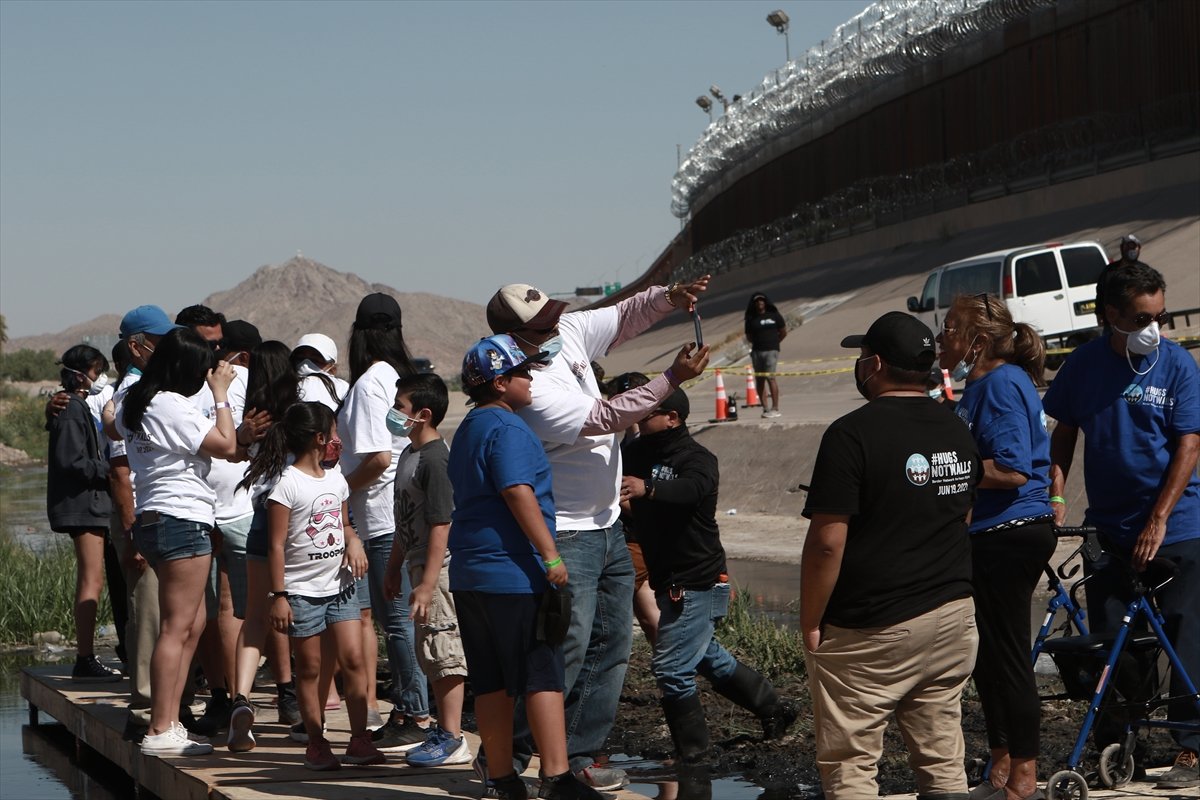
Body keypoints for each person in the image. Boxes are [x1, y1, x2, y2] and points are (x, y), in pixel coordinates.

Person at [484, 278, 710, 791]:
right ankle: (516, 752)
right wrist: (672, 377)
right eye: (541, 325)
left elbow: (623, 315)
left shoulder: (563, 330)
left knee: (612, 646)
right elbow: (606, 415)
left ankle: (579, 753)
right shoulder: (529, 390)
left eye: (552, 316)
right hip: (566, 531)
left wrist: (667, 297)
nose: (555, 327)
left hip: (606, 524)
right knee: (565, 648)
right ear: (514, 338)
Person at [800, 311, 982, 799]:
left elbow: (826, 542)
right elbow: (961, 514)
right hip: (952, 615)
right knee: (943, 757)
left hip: (872, 625)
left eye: (861, 357)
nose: (859, 365)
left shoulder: (850, 435)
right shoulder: (955, 428)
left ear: (874, 364)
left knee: (851, 762)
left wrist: (812, 619)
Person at [1043, 263, 1199, 790]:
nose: (1155, 327)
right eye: (1141, 317)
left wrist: (1158, 519)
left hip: (1177, 526)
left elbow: (1189, 444)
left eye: (1160, 315)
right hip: (1108, 529)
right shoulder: (1083, 366)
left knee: (1187, 635)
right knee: (1113, 642)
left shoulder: (1176, 365)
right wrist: (1057, 492)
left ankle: (1191, 747)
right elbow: (1063, 431)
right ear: (1110, 315)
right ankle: (1121, 742)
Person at [448, 334, 602, 800]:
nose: (530, 377)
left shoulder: (469, 427)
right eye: (521, 371)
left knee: (492, 682)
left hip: (472, 574)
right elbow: (518, 491)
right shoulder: (510, 429)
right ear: (499, 383)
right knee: (542, 674)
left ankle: (502, 778)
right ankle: (556, 778)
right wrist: (551, 555)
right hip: (514, 572)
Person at [619, 388, 797, 765]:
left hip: (698, 576)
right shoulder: (634, 453)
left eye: (650, 411)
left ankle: (694, 754)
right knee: (706, 656)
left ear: (672, 418)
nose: (641, 416)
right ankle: (774, 708)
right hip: (667, 575)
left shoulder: (697, 458)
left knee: (670, 667)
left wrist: (647, 489)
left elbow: (691, 491)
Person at [936, 294, 1056, 800]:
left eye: (949, 328)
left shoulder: (1002, 383)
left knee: (1007, 655)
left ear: (977, 340)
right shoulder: (976, 384)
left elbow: (1010, 468)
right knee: (984, 656)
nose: (942, 338)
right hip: (986, 533)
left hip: (1013, 530)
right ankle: (1001, 765)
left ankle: (1024, 778)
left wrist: (946, 470)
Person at [114, 326, 242, 757]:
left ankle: (168, 723)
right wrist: (221, 394)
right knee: (177, 626)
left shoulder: (135, 400)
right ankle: (160, 727)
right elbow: (226, 443)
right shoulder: (167, 403)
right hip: (180, 517)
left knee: (193, 622)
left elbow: (111, 424)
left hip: (156, 517)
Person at [252, 401, 381, 770]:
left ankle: (359, 740)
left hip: (340, 588)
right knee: (308, 668)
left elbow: (345, 525)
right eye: (334, 433)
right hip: (302, 593)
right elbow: (275, 546)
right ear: (319, 438)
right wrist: (279, 596)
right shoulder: (286, 485)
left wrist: (353, 541)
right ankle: (316, 741)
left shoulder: (337, 479)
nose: (337, 441)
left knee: (353, 660)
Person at [338, 293, 430, 743]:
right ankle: (415, 709)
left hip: (380, 515)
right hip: (398, 512)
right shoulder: (395, 377)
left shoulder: (370, 383)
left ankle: (415, 713)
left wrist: (337, 488)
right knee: (404, 619)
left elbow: (376, 458)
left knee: (397, 621)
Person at [382, 373, 472, 767]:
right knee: (427, 651)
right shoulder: (408, 454)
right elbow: (407, 519)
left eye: (400, 406)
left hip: (439, 568)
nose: (394, 413)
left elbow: (441, 523)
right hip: (417, 566)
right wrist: (394, 567)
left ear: (423, 414)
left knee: (443, 648)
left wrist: (428, 583)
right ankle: (443, 728)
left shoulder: (436, 458)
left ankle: (452, 737)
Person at [229, 340, 304, 748]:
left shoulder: (251, 418)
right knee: (314, 617)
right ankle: (309, 712)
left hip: (262, 519)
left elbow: (233, 458)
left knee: (255, 617)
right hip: (302, 522)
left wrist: (243, 439)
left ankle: (241, 697)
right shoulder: (302, 416)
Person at [48, 344, 122, 682]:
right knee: (92, 579)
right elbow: (70, 460)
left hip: (88, 504)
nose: (98, 377)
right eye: (95, 371)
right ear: (80, 374)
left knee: (92, 578)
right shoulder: (72, 408)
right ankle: (85, 657)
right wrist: (108, 469)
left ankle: (86, 655)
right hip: (84, 506)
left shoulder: (72, 406)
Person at [606, 372, 660, 645]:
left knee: (610, 608)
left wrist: (611, 499)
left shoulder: (641, 447)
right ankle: (675, 668)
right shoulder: (627, 442)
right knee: (650, 616)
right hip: (636, 537)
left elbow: (642, 499)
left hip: (635, 539)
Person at [743, 293, 787, 418]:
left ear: (765, 302)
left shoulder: (774, 316)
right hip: (757, 352)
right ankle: (765, 408)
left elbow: (783, 332)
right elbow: (749, 337)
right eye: (757, 301)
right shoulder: (751, 319)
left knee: (770, 377)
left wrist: (774, 343)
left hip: (771, 351)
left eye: (762, 300)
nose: (759, 303)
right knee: (760, 379)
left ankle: (775, 407)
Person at [1094, 234, 1143, 327]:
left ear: (1139, 248)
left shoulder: (1145, 271)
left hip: (1138, 322)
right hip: (1113, 323)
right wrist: (1099, 313)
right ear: (1121, 248)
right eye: (1127, 246)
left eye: (1133, 247)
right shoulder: (1110, 271)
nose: (1131, 250)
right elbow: (1100, 293)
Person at [294, 333, 350, 411]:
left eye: (315, 360)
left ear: (332, 366)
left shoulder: (343, 389)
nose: (305, 364)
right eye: (300, 358)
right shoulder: (286, 388)